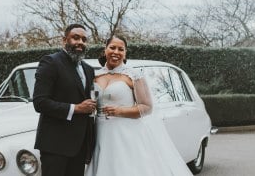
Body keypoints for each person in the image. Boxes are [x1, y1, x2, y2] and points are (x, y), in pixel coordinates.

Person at [85, 35, 193, 176]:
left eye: (120, 49)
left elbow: (147, 107)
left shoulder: (133, 75)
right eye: (112, 47)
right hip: (100, 131)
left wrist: (120, 111)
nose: (116, 52)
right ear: (105, 50)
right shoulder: (95, 76)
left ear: (125, 53)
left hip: (127, 133)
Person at [33, 23, 96, 176]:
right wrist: (76, 108)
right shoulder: (50, 62)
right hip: (55, 145)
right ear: (64, 40)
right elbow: (40, 102)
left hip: (79, 146)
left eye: (84, 39)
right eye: (75, 38)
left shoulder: (89, 69)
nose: (80, 42)